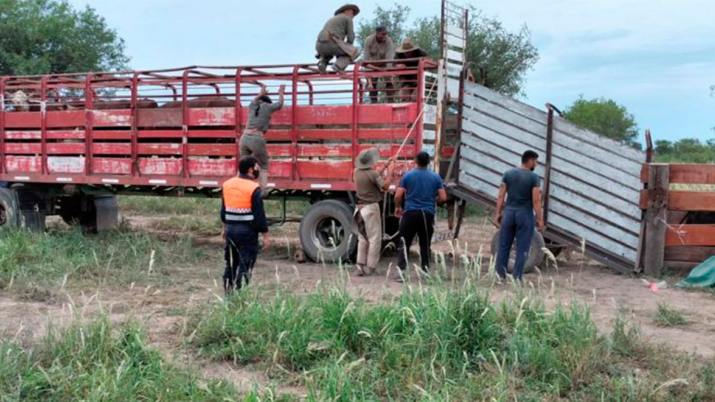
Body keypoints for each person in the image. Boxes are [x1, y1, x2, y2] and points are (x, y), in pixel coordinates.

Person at [393, 151, 447, 282]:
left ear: (416, 161)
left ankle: (402, 273)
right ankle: (425, 273)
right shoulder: (435, 177)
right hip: (427, 215)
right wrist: (434, 203)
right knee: (425, 244)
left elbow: (398, 196)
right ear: (428, 162)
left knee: (404, 243)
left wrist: (398, 207)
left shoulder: (408, 176)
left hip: (410, 214)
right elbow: (443, 197)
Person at [494, 150, 545, 282]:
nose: (537, 164)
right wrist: (540, 219)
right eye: (536, 161)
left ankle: (500, 276)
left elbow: (501, 196)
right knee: (522, 247)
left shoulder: (508, 174)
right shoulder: (534, 178)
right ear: (530, 160)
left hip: (509, 213)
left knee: (504, 245)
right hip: (524, 214)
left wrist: (498, 213)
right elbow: (536, 201)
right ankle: (517, 278)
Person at [221, 156, 270, 294]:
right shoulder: (254, 188)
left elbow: (224, 211)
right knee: (245, 264)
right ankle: (240, 293)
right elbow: (259, 215)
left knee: (231, 264)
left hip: (231, 231)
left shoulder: (227, 184)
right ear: (250, 170)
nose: (258, 170)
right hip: (247, 233)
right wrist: (266, 236)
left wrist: (224, 228)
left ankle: (228, 293)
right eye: (256, 167)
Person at [353, 148, 395, 276]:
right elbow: (385, 186)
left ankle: (359, 266)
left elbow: (373, 176)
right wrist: (390, 172)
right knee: (374, 239)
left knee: (362, 238)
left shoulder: (356, 172)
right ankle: (370, 267)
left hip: (359, 209)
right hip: (371, 208)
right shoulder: (373, 174)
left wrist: (384, 166)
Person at [239, 85, 285, 194]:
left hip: (244, 137)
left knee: (243, 164)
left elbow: (255, 99)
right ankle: (263, 190)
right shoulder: (267, 107)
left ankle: (240, 186)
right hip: (256, 138)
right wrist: (281, 93)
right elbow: (280, 104)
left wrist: (261, 93)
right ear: (267, 102)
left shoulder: (252, 105)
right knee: (263, 165)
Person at [315, 4, 361, 73]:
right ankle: (338, 66)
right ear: (347, 11)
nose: (353, 15)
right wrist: (348, 47)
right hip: (332, 43)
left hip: (319, 46)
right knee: (356, 50)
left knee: (329, 52)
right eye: (353, 13)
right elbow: (350, 38)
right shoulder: (347, 18)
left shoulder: (332, 19)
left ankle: (322, 63)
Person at [363, 26, 395, 103]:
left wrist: (388, 72)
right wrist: (370, 71)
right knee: (372, 82)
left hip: (384, 64)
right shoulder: (369, 40)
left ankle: (391, 100)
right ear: (377, 33)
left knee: (389, 81)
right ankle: (373, 101)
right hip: (372, 65)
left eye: (386, 34)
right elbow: (366, 60)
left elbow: (389, 59)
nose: (384, 36)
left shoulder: (388, 41)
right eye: (383, 34)